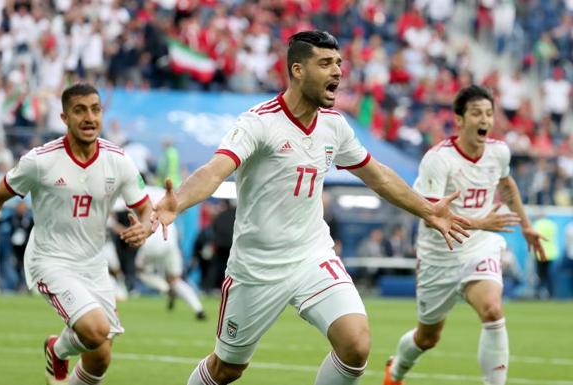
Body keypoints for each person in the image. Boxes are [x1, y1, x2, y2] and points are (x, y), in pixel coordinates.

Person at [151, 30, 469, 385]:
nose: (337, 72)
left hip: (311, 255)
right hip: (257, 267)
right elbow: (215, 170)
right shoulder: (260, 122)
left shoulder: (334, 126)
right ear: (298, 70)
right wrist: (176, 202)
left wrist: (427, 209)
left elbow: (377, 176)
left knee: (356, 344)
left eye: (338, 64)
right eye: (325, 63)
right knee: (227, 369)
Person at [0, 83, 154, 385]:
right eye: (80, 110)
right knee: (96, 330)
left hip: (94, 264)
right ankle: (58, 349)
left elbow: (145, 208)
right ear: (64, 118)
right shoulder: (41, 160)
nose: (89, 117)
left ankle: (58, 355)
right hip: (50, 260)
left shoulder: (118, 159)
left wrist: (145, 227)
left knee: (100, 358)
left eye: (95, 109)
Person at [382, 85, 547, 385]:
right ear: (459, 120)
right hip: (439, 255)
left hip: (479, 247)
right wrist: (482, 223)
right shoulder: (438, 159)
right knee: (428, 337)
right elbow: (430, 216)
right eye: (475, 113)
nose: (484, 119)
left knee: (493, 310)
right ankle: (395, 372)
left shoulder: (498, 152)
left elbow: (506, 185)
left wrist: (525, 225)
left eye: (488, 113)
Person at [136, 187, 206, 320]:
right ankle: (198, 309)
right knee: (176, 279)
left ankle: (166, 289)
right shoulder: (162, 191)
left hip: (151, 240)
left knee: (141, 271)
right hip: (170, 238)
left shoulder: (137, 193)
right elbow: (181, 207)